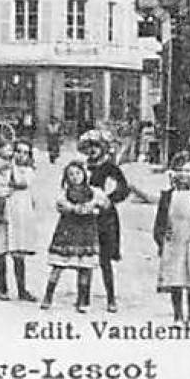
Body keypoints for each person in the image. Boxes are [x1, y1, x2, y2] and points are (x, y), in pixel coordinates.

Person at [40, 160, 106, 313]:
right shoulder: (65, 194)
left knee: (85, 266)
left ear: (84, 174)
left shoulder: (94, 192)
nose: (75, 177)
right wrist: (73, 208)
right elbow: (60, 204)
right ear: (66, 178)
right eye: (71, 174)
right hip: (67, 231)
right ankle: (48, 295)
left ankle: (83, 299)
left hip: (86, 232)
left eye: (78, 173)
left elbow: (104, 203)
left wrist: (93, 206)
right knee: (58, 264)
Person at [154, 152, 190, 323]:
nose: (183, 175)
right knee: (176, 278)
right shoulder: (167, 196)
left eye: (188, 171)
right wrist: (161, 240)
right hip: (174, 243)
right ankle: (178, 315)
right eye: (180, 170)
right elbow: (159, 222)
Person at [81, 130, 130, 312]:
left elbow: (124, 188)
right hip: (85, 215)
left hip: (105, 218)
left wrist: (110, 199)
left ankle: (111, 298)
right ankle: (84, 298)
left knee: (104, 259)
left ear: (103, 149)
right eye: (89, 147)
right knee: (85, 257)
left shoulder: (110, 168)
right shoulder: (82, 168)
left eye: (96, 146)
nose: (93, 150)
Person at [0, 140, 39, 301]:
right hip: (2, 210)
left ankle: (21, 289)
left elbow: (20, 183)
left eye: (25, 152)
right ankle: (3, 289)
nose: (21, 155)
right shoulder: (3, 166)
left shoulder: (28, 170)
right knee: (0, 250)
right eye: (18, 151)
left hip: (19, 213)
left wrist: (11, 169)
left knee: (18, 251)